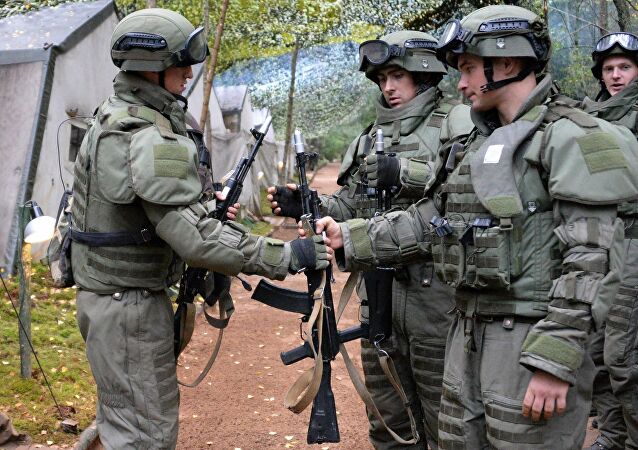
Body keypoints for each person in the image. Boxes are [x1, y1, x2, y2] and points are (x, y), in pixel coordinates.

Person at [314, 5, 638, 449]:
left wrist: (554, 360)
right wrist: (350, 237)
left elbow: (592, 263)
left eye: (468, 68)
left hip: (530, 341)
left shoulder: (571, 137)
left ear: (505, 63)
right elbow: (432, 219)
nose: (461, 83)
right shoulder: (475, 143)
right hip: (465, 334)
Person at [70, 8, 329, 450]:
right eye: (180, 65)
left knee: (124, 420)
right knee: (144, 436)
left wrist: (206, 209)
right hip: (128, 306)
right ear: (151, 66)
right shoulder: (148, 134)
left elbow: (154, 214)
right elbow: (195, 238)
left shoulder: (117, 115)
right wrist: (286, 256)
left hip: (114, 301)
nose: (188, 74)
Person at [268, 31, 472, 449]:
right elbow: (350, 205)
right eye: (381, 79)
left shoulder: (458, 123)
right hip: (377, 295)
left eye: (397, 76)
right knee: (387, 419)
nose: (388, 87)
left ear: (423, 74)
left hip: (436, 299)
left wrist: (404, 173)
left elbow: (463, 194)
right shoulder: (369, 136)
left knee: (447, 422)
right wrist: (309, 204)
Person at [582, 32, 638, 450]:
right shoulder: (588, 116)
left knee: (623, 353)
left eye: (625, 67)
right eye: (609, 69)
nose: (616, 75)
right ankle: (614, 434)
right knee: (593, 347)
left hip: (631, 241)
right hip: (592, 239)